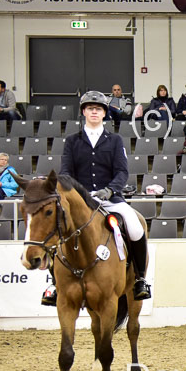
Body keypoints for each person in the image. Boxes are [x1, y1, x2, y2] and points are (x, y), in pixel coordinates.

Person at [43, 91, 151, 306]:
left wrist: (110, 190)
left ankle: (139, 279)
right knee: (55, 227)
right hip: (80, 201)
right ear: (84, 112)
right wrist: (79, 194)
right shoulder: (72, 141)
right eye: (90, 108)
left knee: (135, 227)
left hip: (110, 199)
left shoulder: (115, 140)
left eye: (98, 109)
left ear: (104, 113)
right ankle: (54, 284)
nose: (94, 111)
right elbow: (66, 172)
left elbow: (122, 172)